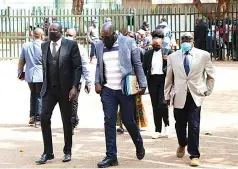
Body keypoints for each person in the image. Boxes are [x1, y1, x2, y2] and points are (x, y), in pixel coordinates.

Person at [94, 23, 147, 168]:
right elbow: (99, 65)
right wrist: (96, 82)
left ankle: (138, 143)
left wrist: (143, 84)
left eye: (106, 37)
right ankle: (111, 156)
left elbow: (137, 64)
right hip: (108, 90)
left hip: (125, 88)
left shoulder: (128, 42)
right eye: (102, 37)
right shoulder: (99, 46)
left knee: (128, 120)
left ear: (113, 34)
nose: (104, 40)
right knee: (109, 121)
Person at [164, 32, 215, 167]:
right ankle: (182, 143)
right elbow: (169, 78)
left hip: (195, 95)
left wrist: (207, 90)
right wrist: (167, 95)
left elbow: (211, 75)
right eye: (184, 39)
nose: (186, 41)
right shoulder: (173, 57)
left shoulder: (203, 55)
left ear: (193, 41)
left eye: (189, 39)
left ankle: (194, 155)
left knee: (194, 125)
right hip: (179, 94)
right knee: (180, 125)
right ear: (180, 41)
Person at [35, 23, 82, 164]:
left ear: (60, 32)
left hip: (66, 89)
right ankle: (48, 152)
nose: (51, 32)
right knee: (44, 118)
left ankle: (67, 150)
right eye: (49, 30)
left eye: (54, 30)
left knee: (67, 121)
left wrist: (74, 87)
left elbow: (77, 67)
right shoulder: (44, 46)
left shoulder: (71, 45)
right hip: (49, 89)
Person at [117, 32, 148, 134]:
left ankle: (135, 125)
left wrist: (141, 82)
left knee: (134, 104)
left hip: (133, 81)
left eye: (131, 38)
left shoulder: (140, 51)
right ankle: (121, 125)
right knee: (120, 105)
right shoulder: (119, 50)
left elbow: (139, 66)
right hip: (122, 81)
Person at [143, 37, 172, 139]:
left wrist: (168, 61)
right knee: (155, 105)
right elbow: (144, 68)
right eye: (154, 45)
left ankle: (167, 124)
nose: (155, 47)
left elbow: (173, 66)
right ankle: (157, 130)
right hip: (152, 80)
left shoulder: (167, 52)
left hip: (163, 80)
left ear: (162, 44)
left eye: (158, 45)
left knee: (162, 103)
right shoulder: (147, 54)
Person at [65, 28, 92, 134]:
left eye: (70, 35)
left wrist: (88, 82)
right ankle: (73, 120)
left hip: (76, 81)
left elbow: (85, 65)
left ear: (74, 37)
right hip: (63, 80)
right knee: (68, 103)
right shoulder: (59, 47)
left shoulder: (80, 49)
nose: (69, 37)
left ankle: (71, 123)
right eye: (68, 35)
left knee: (73, 102)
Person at [18, 28, 45, 127]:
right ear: (41, 35)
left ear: (33, 35)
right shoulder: (44, 45)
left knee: (33, 94)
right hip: (41, 75)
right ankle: (38, 119)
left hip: (29, 75)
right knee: (39, 96)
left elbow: (21, 61)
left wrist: (20, 73)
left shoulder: (26, 45)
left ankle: (32, 117)